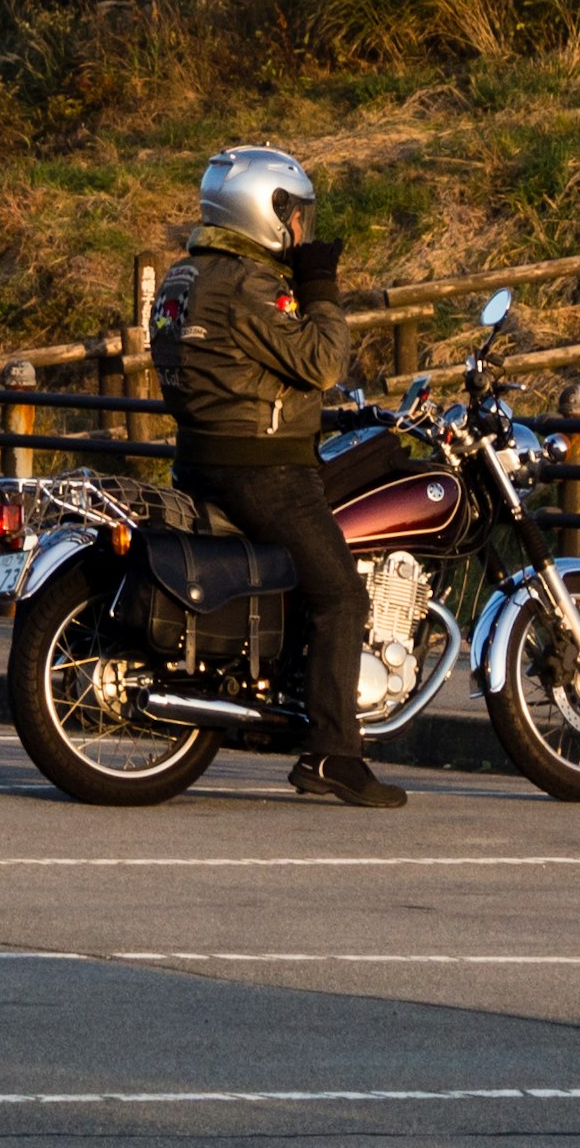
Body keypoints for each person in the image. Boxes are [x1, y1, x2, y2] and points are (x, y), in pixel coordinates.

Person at [154, 143, 405, 810]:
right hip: (263, 470)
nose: (303, 229)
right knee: (342, 594)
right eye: (296, 214)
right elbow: (322, 362)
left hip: (203, 457)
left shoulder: (185, 275)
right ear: (264, 209)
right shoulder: (249, 286)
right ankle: (333, 754)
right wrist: (321, 287)